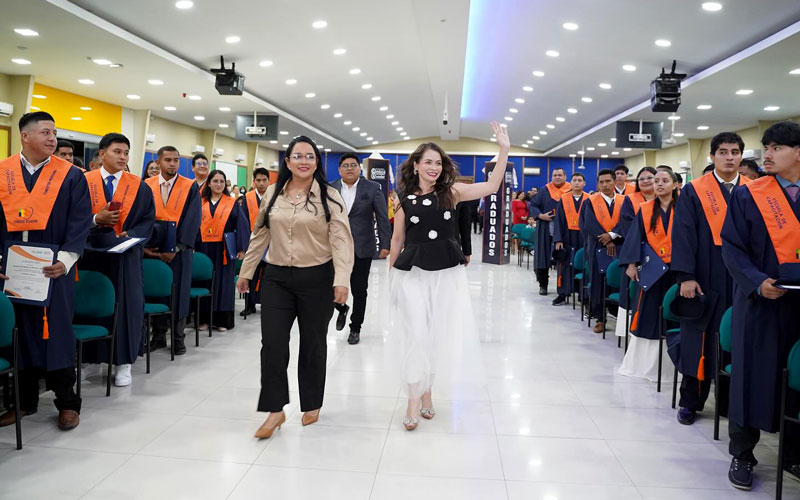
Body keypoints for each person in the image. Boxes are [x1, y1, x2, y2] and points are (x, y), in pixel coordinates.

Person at [389, 122, 508, 431]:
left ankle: (428, 393)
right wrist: (391, 279)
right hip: (412, 274)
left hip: (446, 274)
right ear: (415, 165)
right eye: (427, 161)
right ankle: (413, 398)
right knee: (416, 333)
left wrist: (504, 150)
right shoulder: (402, 199)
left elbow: (491, 187)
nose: (433, 167)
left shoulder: (452, 193)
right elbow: (397, 240)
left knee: (436, 335)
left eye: (438, 162)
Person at [236, 135, 353, 439]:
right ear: (287, 162)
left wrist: (342, 279)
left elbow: (341, 240)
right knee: (272, 343)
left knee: (313, 344)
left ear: (317, 162)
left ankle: (312, 402)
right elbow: (259, 234)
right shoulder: (273, 193)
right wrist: (247, 271)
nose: (303, 161)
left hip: (317, 278)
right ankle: (275, 410)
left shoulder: (329, 196)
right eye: (297, 156)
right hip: (276, 278)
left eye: (309, 156)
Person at [721, 121, 800, 490]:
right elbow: (733, 246)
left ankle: (794, 453)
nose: (766, 154)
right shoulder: (749, 194)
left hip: (798, 305)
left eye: (777, 147)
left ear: (797, 152)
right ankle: (743, 453)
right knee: (752, 373)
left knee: (795, 378)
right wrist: (756, 282)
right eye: (765, 146)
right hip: (760, 301)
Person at [0, 111, 91, 430]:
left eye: (54, 133)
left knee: (57, 333)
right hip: (11, 270)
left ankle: (68, 403)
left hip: (54, 269)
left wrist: (65, 260)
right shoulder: (3, 172)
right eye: (45, 132)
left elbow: (80, 221)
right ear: (24, 136)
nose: (52, 138)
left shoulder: (70, 175)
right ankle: (23, 402)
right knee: (18, 334)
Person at [672, 132, 750, 425]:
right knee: (699, 340)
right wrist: (686, 276)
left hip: (742, 280)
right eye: (723, 152)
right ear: (712, 156)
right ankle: (690, 402)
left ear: (741, 156)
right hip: (705, 276)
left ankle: (730, 405)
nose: (729, 157)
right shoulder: (695, 190)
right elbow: (683, 234)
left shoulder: (755, 190)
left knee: (736, 341)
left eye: (734, 152)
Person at [80, 133, 155, 387]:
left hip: (125, 256)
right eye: (117, 152)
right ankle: (90, 359)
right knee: (92, 306)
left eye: (126, 153)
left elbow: (148, 220)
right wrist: (94, 221)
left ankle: (123, 363)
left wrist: (130, 234)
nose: (123, 157)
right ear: (102, 154)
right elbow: (72, 217)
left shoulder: (139, 186)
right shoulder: (82, 182)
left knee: (126, 307)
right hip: (90, 254)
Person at [618, 167, 679, 381]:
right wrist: (631, 264)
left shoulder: (684, 208)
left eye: (664, 180)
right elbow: (634, 238)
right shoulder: (645, 209)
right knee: (649, 313)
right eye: (656, 181)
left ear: (675, 184)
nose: (659, 184)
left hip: (678, 270)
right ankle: (646, 366)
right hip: (652, 269)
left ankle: (675, 365)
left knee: (674, 313)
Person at [144, 146, 201, 355]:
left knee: (179, 293)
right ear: (158, 162)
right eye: (168, 160)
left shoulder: (190, 186)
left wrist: (177, 247)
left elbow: (193, 219)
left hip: (180, 250)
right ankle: (158, 336)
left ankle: (178, 338)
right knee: (157, 293)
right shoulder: (146, 185)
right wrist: (146, 247)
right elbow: (142, 217)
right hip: (153, 250)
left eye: (176, 160)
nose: (173, 164)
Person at [331, 153, 391, 345]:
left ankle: (355, 328)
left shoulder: (373, 188)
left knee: (359, 290)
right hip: (334, 248)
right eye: (345, 165)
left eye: (353, 165)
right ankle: (341, 308)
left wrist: (385, 244)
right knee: (328, 288)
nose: (349, 168)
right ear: (339, 169)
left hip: (362, 247)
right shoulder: (330, 188)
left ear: (360, 169)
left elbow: (382, 217)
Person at [196, 170, 249, 331]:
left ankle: (222, 321)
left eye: (221, 181)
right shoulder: (200, 202)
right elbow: (193, 225)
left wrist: (241, 247)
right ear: (209, 183)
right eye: (215, 181)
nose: (218, 184)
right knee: (204, 281)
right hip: (203, 246)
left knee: (223, 283)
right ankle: (204, 319)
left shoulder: (231, 202)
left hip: (225, 247)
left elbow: (242, 225)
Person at [579, 169, 623, 333]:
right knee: (597, 281)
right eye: (601, 182)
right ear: (597, 184)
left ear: (615, 182)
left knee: (618, 280)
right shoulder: (590, 201)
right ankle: (600, 317)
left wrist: (612, 237)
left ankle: (618, 315)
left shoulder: (624, 201)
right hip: (597, 246)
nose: (605, 185)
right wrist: (605, 240)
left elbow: (626, 222)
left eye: (608, 181)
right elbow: (588, 224)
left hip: (619, 245)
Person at [617, 167, 657, 314]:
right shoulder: (630, 200)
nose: (645, 181)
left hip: (661, 254)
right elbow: (629, 229)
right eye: (641, 179)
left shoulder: (665, 199)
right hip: (637, 252)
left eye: (649, 178)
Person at [529, 168, 571, 295]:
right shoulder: (545, 190)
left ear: (565, 176)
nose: (557, 177)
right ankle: (543, 285)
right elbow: (533, 205)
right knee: (543, 256)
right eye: (555, 175)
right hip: (546, 227)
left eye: (560, 175)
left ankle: (565, 288)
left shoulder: (570, 190)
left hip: (565, 229)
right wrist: (541, 216)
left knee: (565, 257)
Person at [552, 172, 588, 306]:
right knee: (565, 264)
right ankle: (563, 293)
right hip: (567, 236)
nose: (577, 183)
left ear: (584, 183)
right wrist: (558, 239)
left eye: (580, 180)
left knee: (583, 264)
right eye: (575, 180)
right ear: (570, 183)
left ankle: (583, 295)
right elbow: (558, 220)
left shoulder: (590, 199)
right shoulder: (563, 198)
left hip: (584, 237)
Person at [239, 167, 270, 317]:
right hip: (253, 242)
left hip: (270, 242)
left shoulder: (274, 196)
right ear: (254, 181)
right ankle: (249, 304)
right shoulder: (247, 197)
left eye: (264, 180)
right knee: (251, 274)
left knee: (268, 276)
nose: (261, 183)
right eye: (258, 180)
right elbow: (243, 222)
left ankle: (267, 303)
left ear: (269, 181)